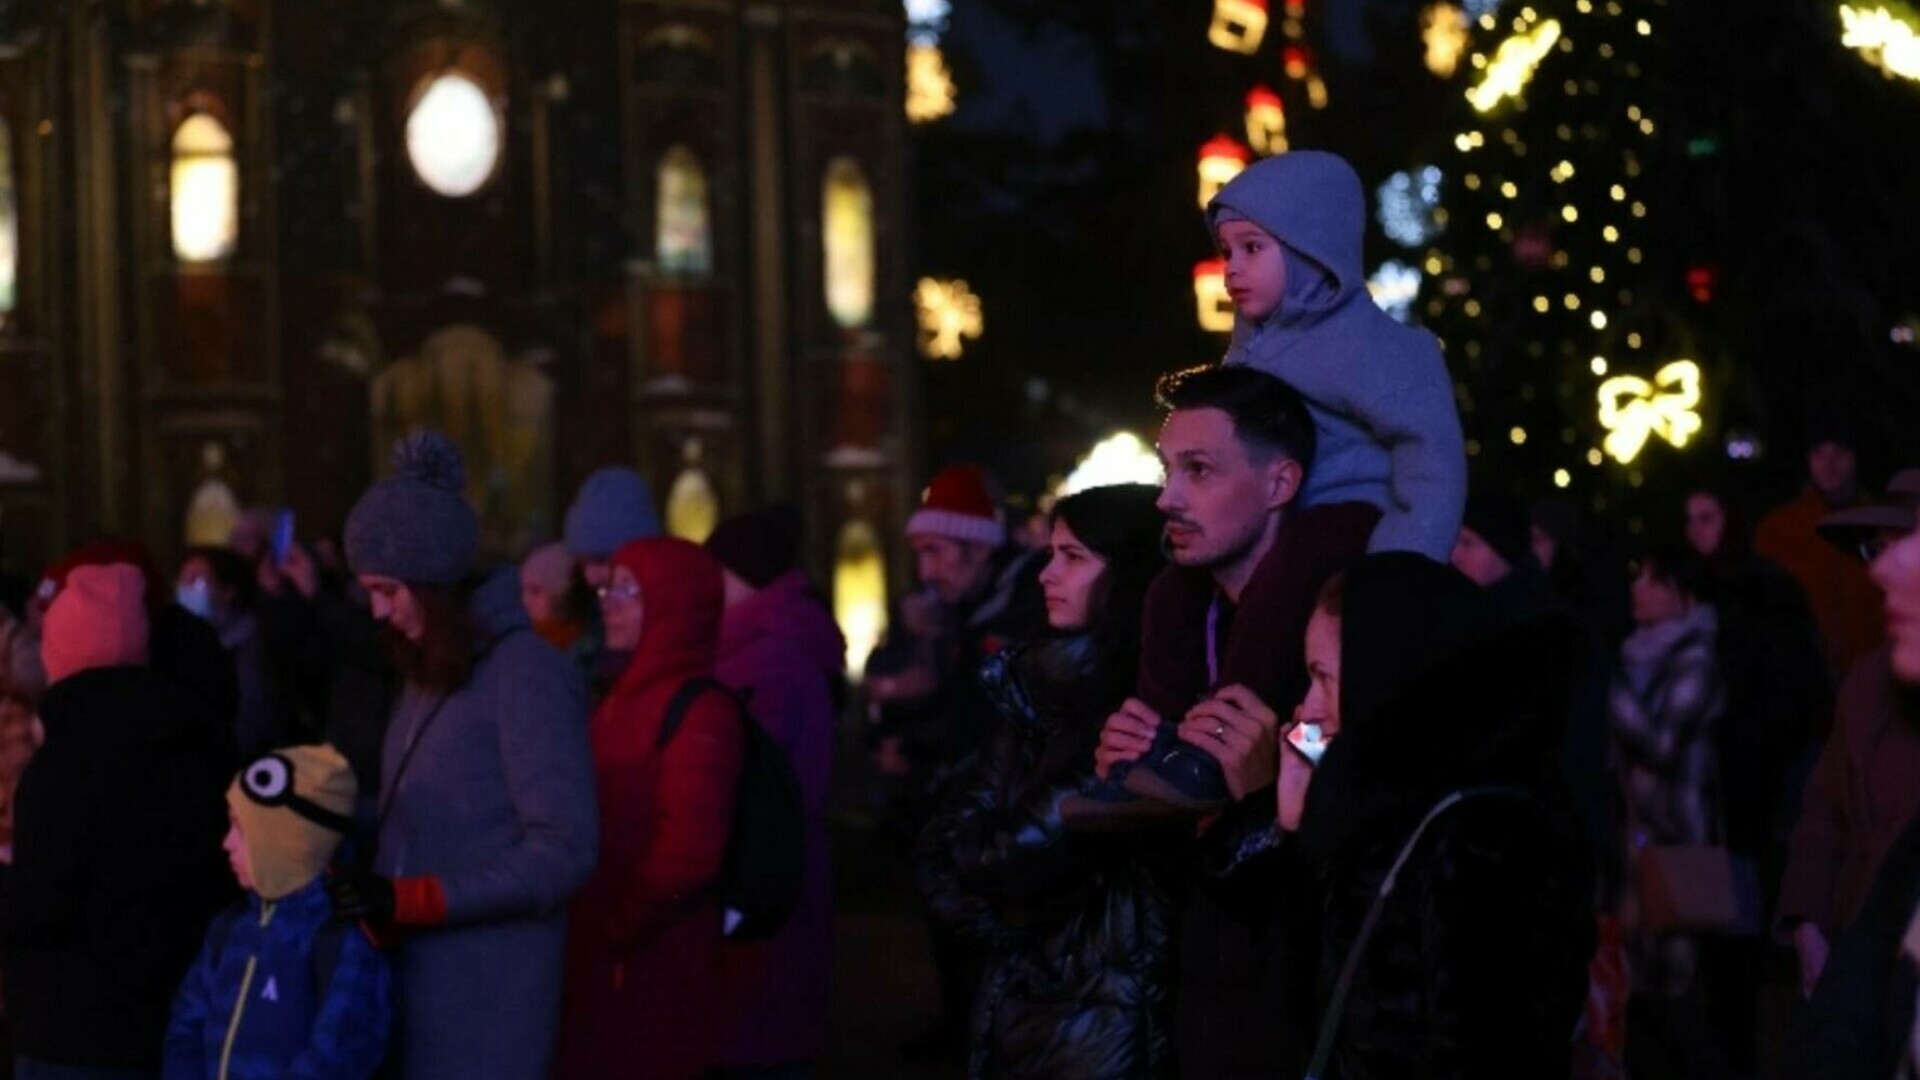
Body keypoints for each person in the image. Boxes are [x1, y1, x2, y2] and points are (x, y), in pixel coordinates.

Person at [1093, 364, 1376, 1078]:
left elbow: (1353, 864)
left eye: (1199, 471)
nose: (1167, 498)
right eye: (1167, 470)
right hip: (1194, 1007)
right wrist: (1130, 776)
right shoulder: (1180, 619)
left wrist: (1259, 797)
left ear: (1280, 484)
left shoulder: (1341, 643)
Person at [326, 432, 599, 1080]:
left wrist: (419, 900)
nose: (378, 610)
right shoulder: (430, 668)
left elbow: (564, 850)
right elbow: (431, 813)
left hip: (487, 1014)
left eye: (388, 589)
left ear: (434, 581)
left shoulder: (525, 674)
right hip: (415, 997)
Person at [1279, 556, 1593, 1079]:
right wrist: (1298, 829)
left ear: (1386, 673)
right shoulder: (1387, 806)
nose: (1308, 708)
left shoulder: (1487, 836)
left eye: (1325, 678)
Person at [916, 484, 1177, 1079]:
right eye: (1052, 552)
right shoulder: (1037, 693)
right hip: (1040, 1007)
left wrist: (1004, 899)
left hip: (1096, 1028)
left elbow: (997, 857)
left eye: (1074, 557)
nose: (1046, 575)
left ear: (1130, 572)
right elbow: (943, 853)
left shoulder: (1131, 712)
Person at [6, 562, 233, 1080]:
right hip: (169, 1022)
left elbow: (40, 905)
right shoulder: (190, 743)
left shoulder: (63, 766)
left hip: (70, 1033)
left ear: (59, 655)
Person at [1207, 149, 1466, 562]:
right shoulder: (1247, 348)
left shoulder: (1379, 345)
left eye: (1252, 247)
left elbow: (1433, 467)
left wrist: (1400, 564)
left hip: (1349, 536)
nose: (1232, 268)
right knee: (1171, 593)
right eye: (1226, 251)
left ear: (1310, 249)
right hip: (1262, 532)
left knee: (1296, 564)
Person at [556, 538, 745, 1080]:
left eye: (630, 590)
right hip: (603, 954)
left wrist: (618, 923)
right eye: (608, 586)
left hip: (654, 959)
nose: (609, 601)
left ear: (675, 604)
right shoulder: (617, 697)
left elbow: (690, 851)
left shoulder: (701, 712)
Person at [898, 463, 1047, 1057]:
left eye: (935, 552)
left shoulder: (1022, 604)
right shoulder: (970, 607)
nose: (926, 572)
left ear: (976, 547)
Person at [704, 506, 845, 1076]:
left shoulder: (768, 660)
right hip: (784, 879)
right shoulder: (768, 646)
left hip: (767, 885)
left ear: (744, 577)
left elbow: (764, 791)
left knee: (763, 1043)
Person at [164, 745, 391, 1080]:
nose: (226, 843)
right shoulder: (230, 928)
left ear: (286, 845)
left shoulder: (340, 942)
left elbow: (338, 1057)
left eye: (241, 830)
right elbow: (187, 1025)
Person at [1779, 470, 1920, 997]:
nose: (1883, 569)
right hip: (1858, 954)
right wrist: (1808, 922)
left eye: (1903, 544)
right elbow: (1826, 808)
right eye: (1875, 549)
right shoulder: (1868, 678)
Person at [1608, 545, 1734, 1077]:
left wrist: (1613, 695)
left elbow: (1662, 744)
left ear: (1683, 593)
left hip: (1679, 842)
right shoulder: (1638, 652)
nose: (1639, 589)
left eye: (1655, 580)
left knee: (1675, 995)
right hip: (1636, 846)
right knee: (1638, 990)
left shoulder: (1696, 658)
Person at [1756, 429, 1883, 677]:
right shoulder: (1778, 529)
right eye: (1819, 453)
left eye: (1840, 453)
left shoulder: (1883, 527)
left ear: (1856, 458)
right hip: (1800, 683)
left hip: (1872, 682)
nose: (1829, 464)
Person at [177, 546, 278, 760]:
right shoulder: (190, 645)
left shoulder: (252, 651)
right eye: (183, 580)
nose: (185, 590)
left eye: (197, 581)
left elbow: (251, 727)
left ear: (229, 591)